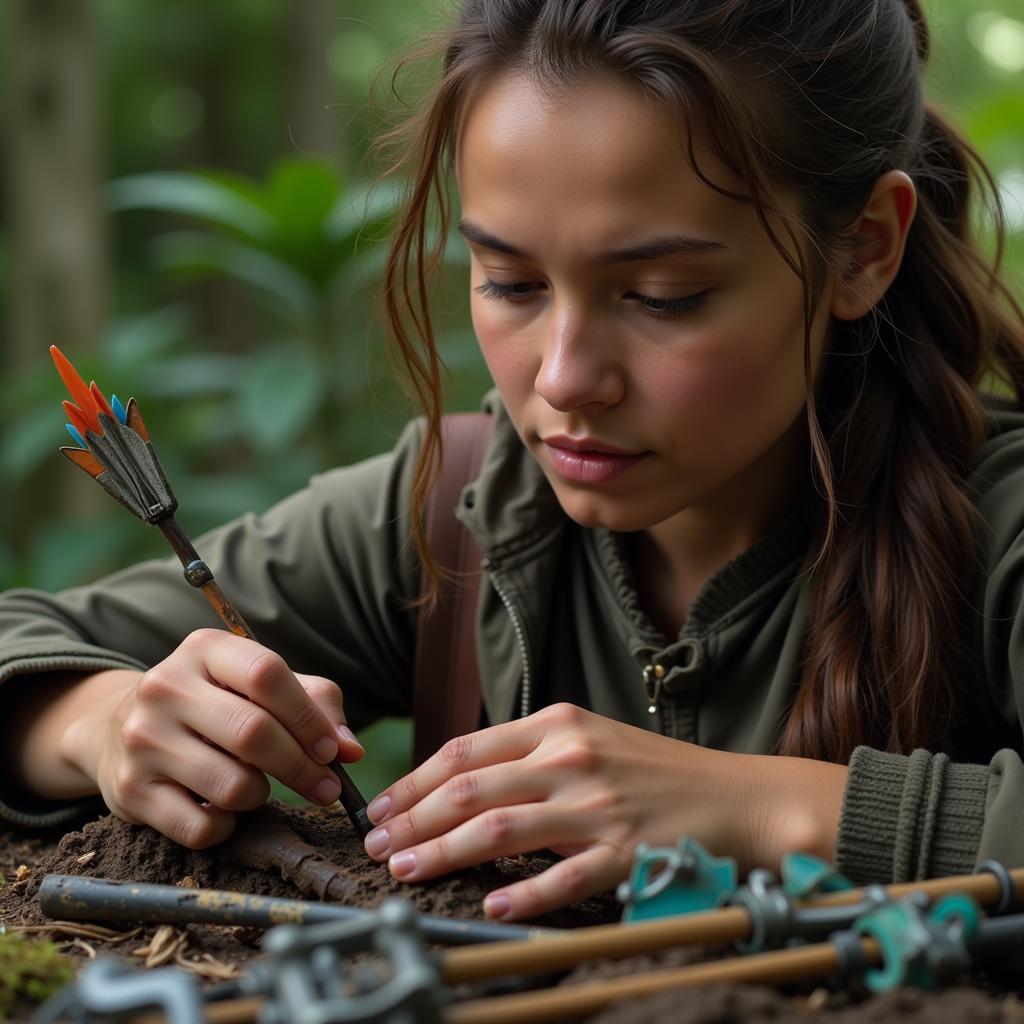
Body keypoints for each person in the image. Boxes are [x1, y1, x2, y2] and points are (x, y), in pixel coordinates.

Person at [2, 0, 1024, 924]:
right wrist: (105, 720)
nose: (566, 378)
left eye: (662, 293)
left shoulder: (997, 526)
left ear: (861, 251)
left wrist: (761, 805)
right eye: (511, 283)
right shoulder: (456, 514)